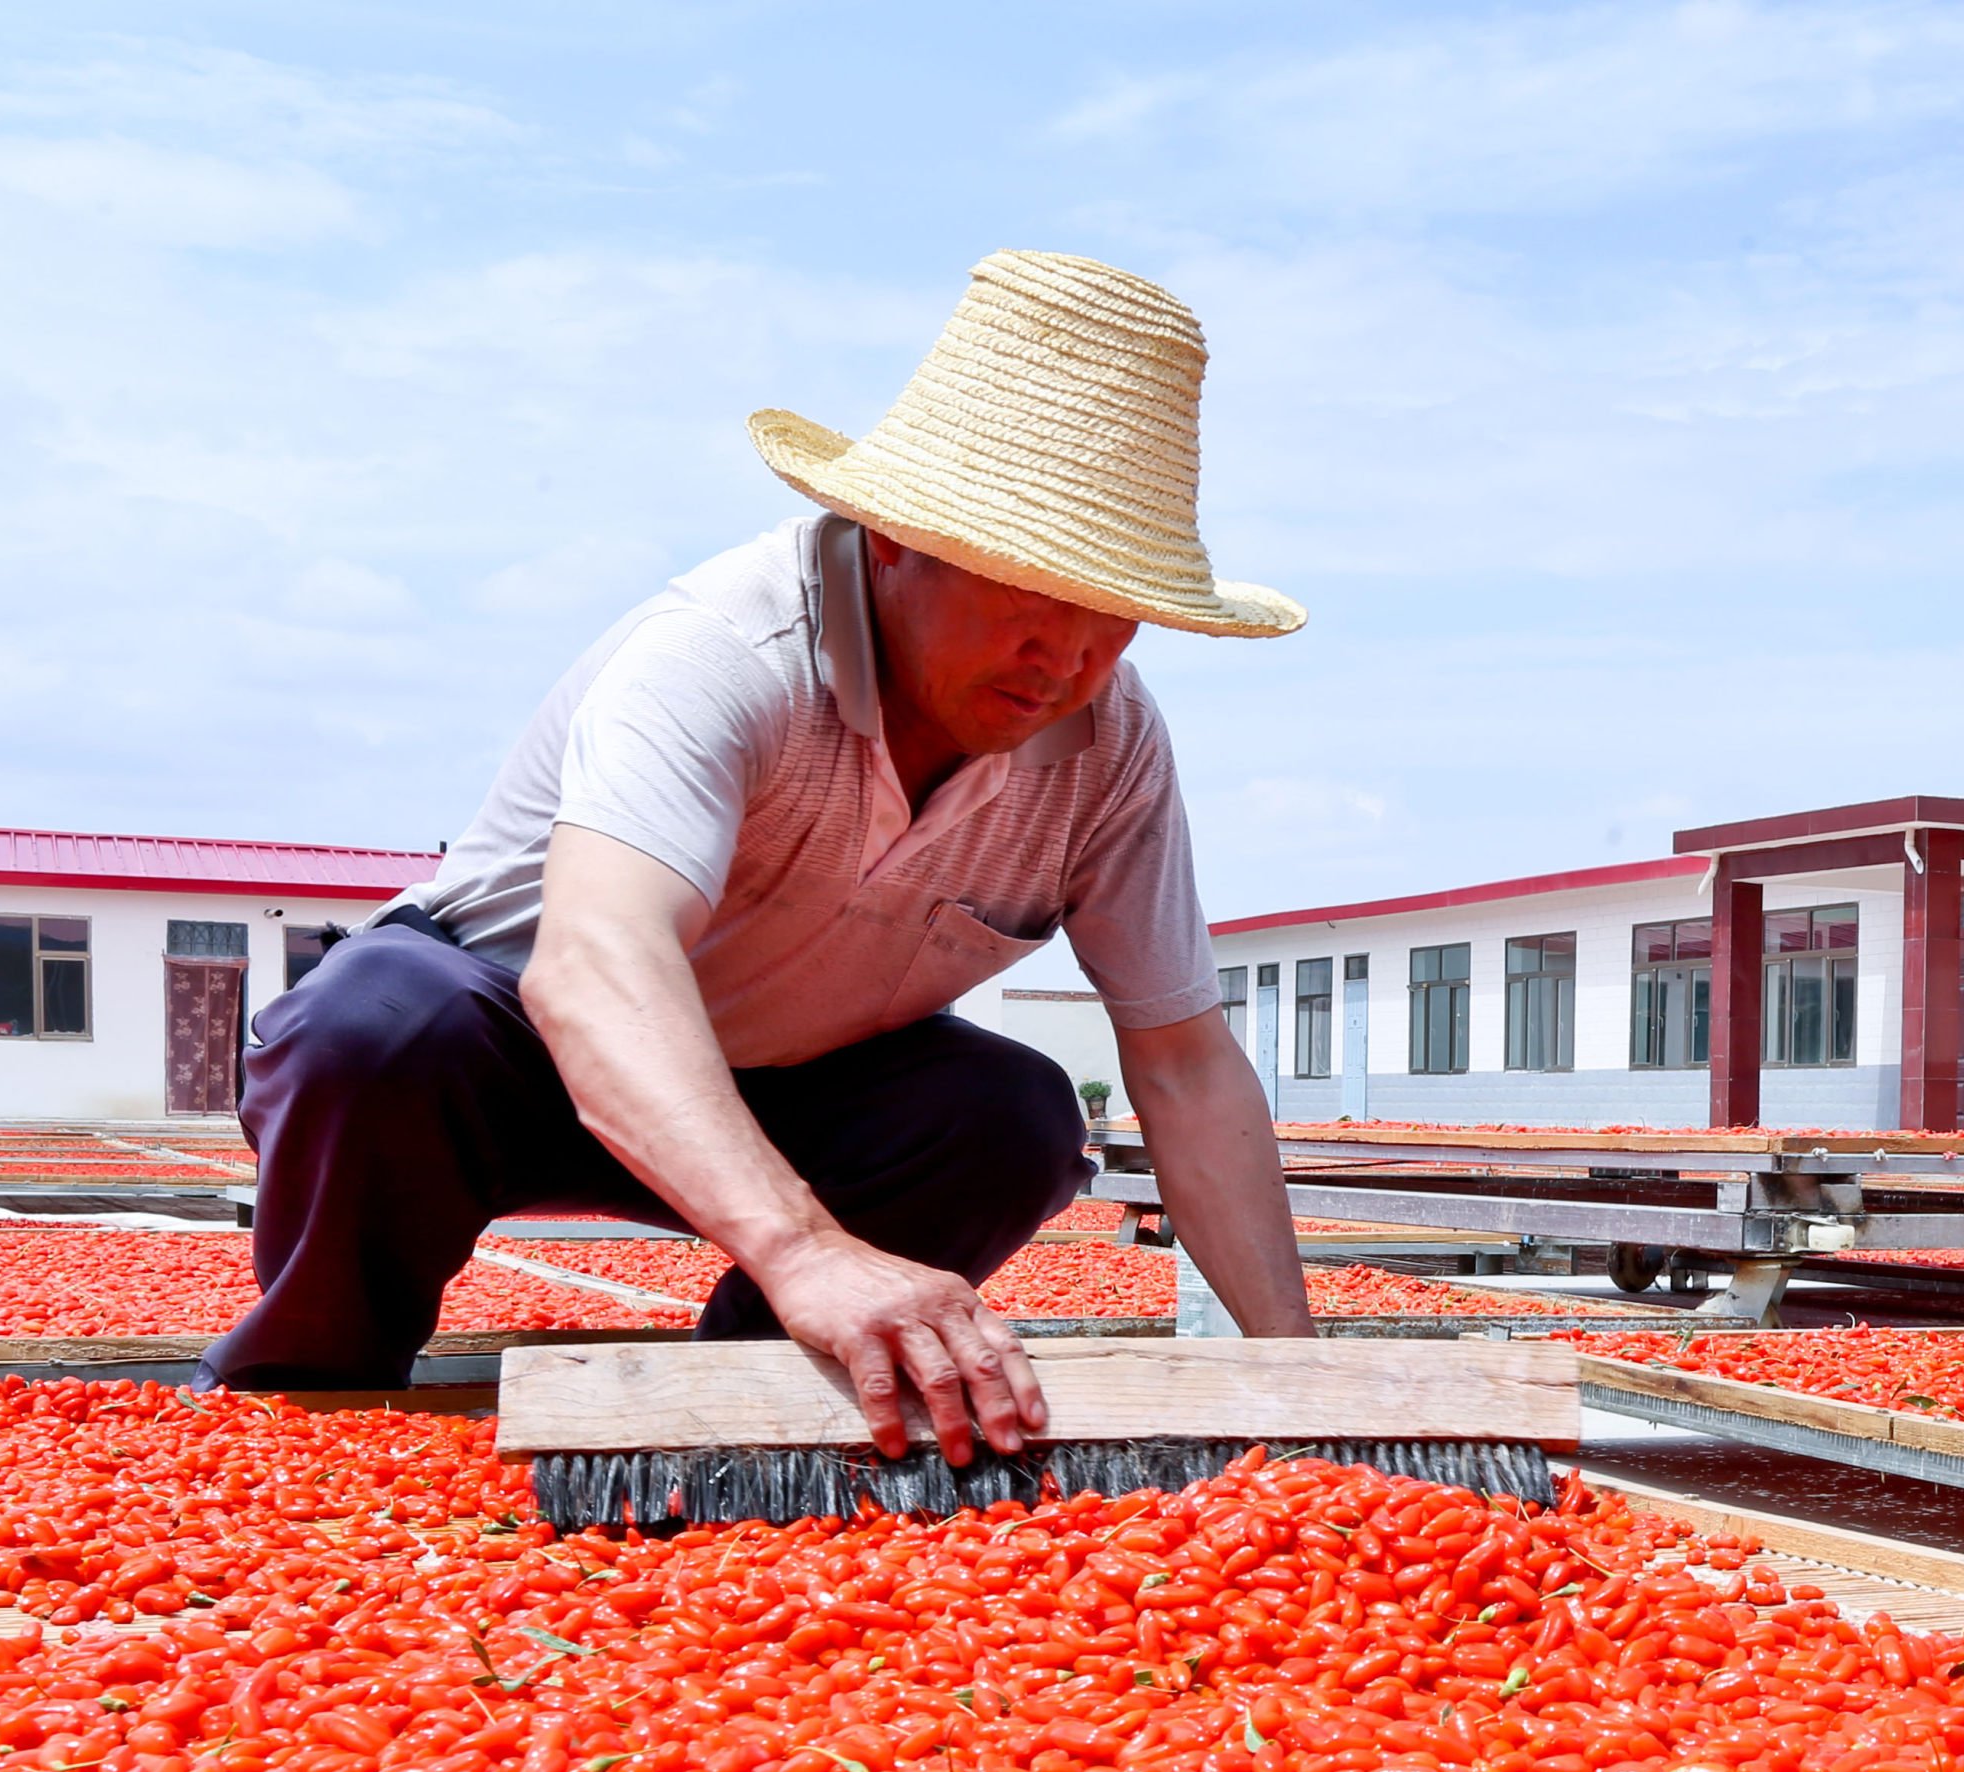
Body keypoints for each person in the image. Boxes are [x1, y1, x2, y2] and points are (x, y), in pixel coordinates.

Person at [207, 251, 1318, 1460]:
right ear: (893, 539)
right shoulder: (730, 652)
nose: (1067, 657)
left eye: (1113, 617)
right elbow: (593, 966)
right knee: (376, 1021)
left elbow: (1186, 1065)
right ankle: (314, 1399)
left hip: (795, 1091)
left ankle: (762, 1413)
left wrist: (1304, 1376)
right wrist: (805, 1246)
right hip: (497, 1063)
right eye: (1027, 597)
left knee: (1013, 1112)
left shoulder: (1105, 745)